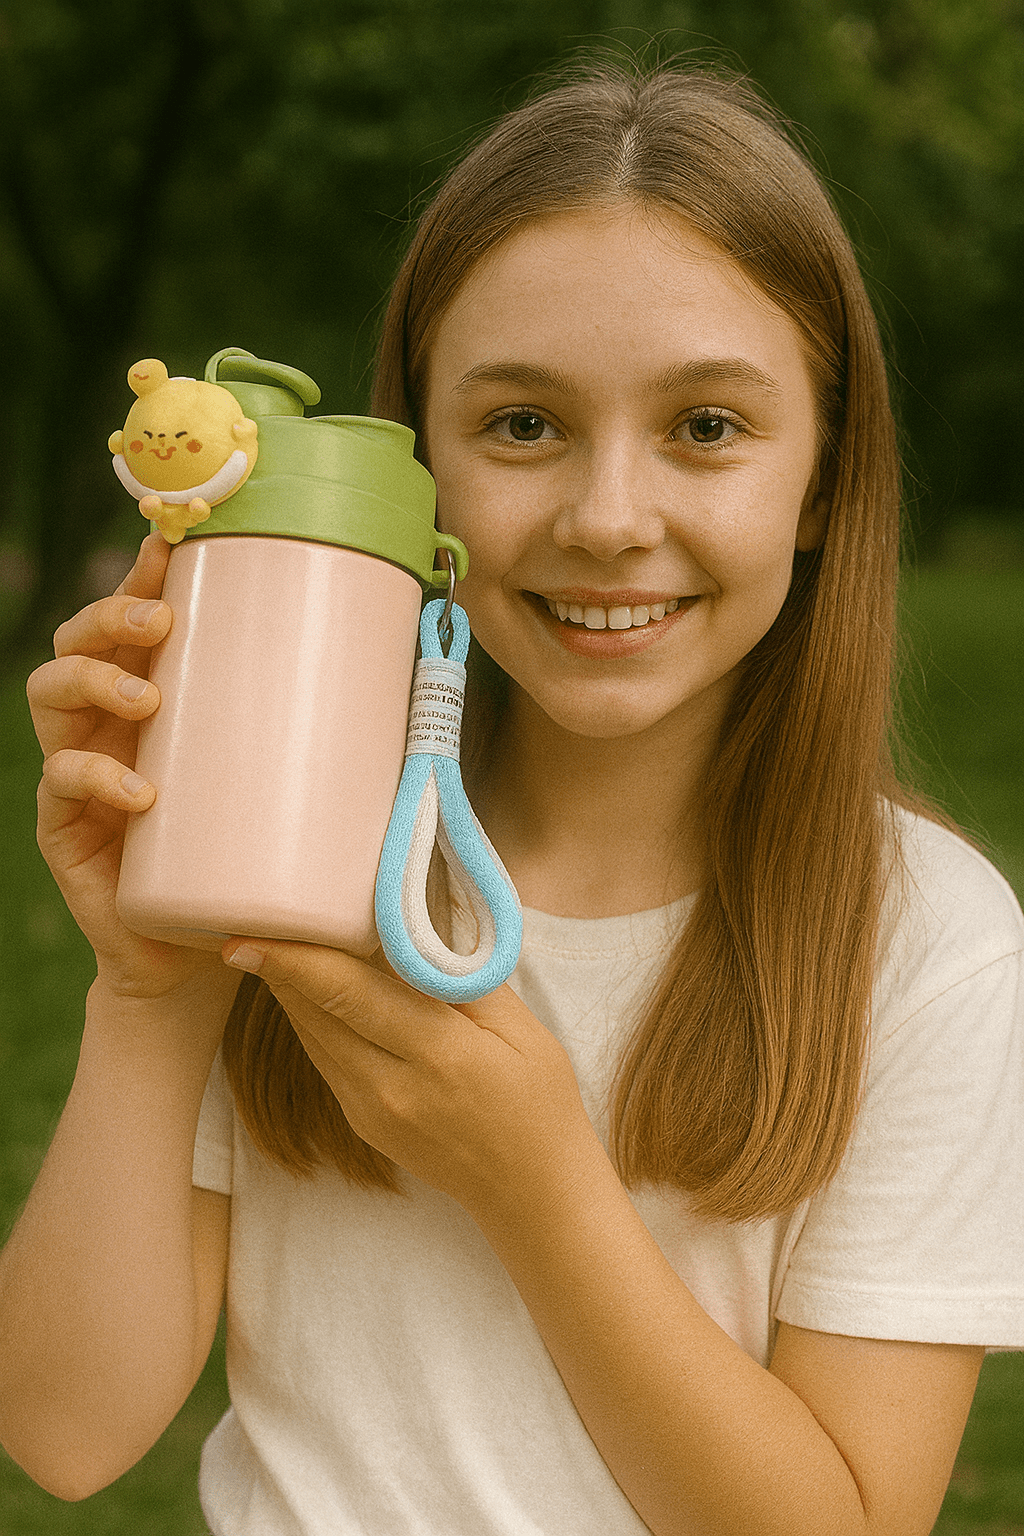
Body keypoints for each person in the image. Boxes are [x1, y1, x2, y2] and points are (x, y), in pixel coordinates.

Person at [1, 60, 1021, 1536]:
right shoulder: (287, 846)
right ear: (420, 476)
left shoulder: (927, 945)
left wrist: (537, 1186)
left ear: (820, 481)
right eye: (524, 426)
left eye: (707, 427)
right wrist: (148, 995)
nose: (608, 520)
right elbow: (63, 1433)